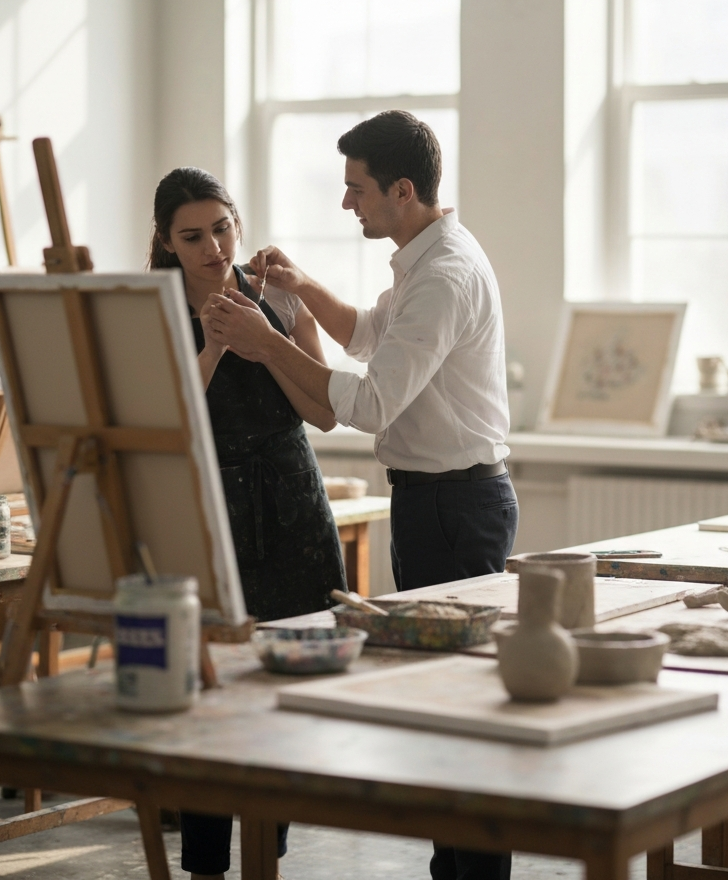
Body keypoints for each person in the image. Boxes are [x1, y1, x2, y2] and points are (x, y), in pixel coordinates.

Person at [203, 110, 517, 880]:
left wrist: (267, 343)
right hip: (431, 503)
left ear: (402, 190)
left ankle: (472, 875)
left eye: (358, 189)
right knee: (438, 704)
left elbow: (372, 404)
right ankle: (454, 870)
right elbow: (368, 334)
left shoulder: (443, 275)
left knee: (460, 710)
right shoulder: (424, 257)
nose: (347, 203)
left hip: (454, 508)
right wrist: (302, 288)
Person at [147, 166, 346, 880]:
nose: (213, 248)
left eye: (222, 228)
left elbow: (324, 413)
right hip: (208, 505)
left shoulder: (280, 295)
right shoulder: (152, 309)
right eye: (192, 237)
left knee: (285, 682)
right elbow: (164, 424)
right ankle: (205, 862)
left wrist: (266, 337)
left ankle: (269, 853)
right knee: (209, 689)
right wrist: (213, 346)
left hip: (291, 499)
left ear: (237, 221)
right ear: (166, 242)